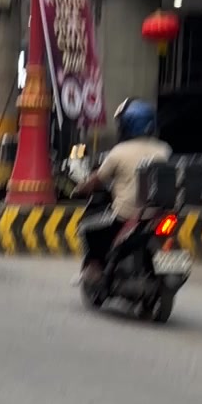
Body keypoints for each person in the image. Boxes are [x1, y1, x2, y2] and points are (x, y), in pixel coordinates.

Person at [72, 97, 171, 280]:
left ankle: (95, 267)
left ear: (127, 125)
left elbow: (97, 180)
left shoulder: (118, 152)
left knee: (89, 228)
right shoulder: (164, 150)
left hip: (128, 214)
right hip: (158, 212)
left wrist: (80, 188)